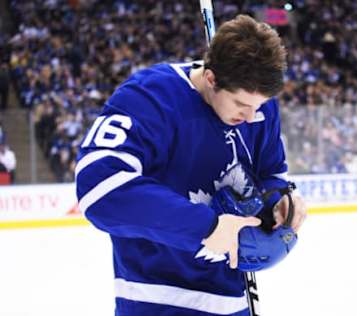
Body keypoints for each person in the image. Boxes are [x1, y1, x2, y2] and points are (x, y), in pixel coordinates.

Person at [75, 15, 307, 316]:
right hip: (157, 301)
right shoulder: (149, 98)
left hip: (234, 300)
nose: (252, 118)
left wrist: (280, 201)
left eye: (259, 106)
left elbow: (270, 174)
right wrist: (206, 227)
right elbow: (99, 191)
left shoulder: (259, 107)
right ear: (211, 80)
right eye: (241, 105)